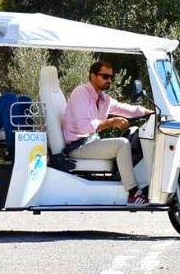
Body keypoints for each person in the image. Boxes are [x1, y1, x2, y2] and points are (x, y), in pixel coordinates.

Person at [62, 60, 154, 205]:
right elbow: (84, 127)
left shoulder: (104, 99)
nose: (109, 80)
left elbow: (128, 109)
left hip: (90, 142)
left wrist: (153, 113)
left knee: (130, 136)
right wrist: (112, 122)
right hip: (76, 146)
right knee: (122, 144)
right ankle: (133, 194)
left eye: (111, 77)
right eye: (105, 76)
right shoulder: (81, 93)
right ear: (93, 76)